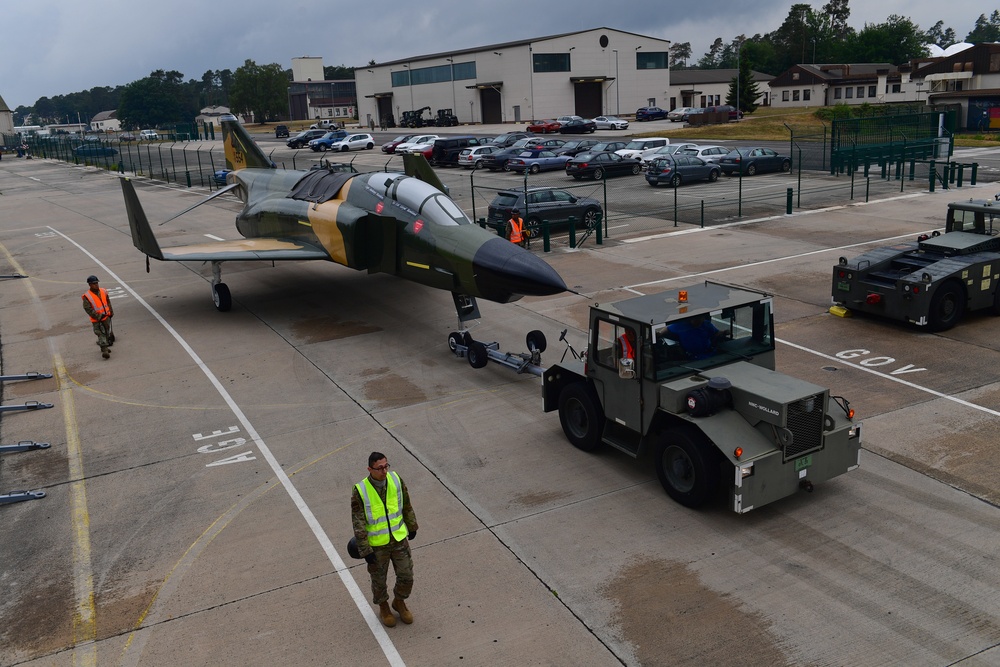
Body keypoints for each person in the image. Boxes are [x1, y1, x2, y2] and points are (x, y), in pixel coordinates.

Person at [351, 451, 418, 627]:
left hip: (398, 539)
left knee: (407, 575)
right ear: (370, 469)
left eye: (386, 466)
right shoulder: (361, 489)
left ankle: (399, 602)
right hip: (377, 546)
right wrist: (365, 550)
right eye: (379, 468)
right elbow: (358, 521)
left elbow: (406, 503)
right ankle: (384, 607)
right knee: (379, 581)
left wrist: (412, 526)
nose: (384, 471)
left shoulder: (395, 480)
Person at [81, 275, 114, 359]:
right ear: (90, 285)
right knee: (101, 333)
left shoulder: (103, 291)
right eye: (94, 283)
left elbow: (108, 302)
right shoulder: (87, 296)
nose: (96, 285)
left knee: (106, 332)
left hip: (106, 316)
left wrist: (110, 312)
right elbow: (88, 309)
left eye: (96, 283)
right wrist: (98, 316)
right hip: (97, 319)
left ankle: (104, 345)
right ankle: (105, 350)